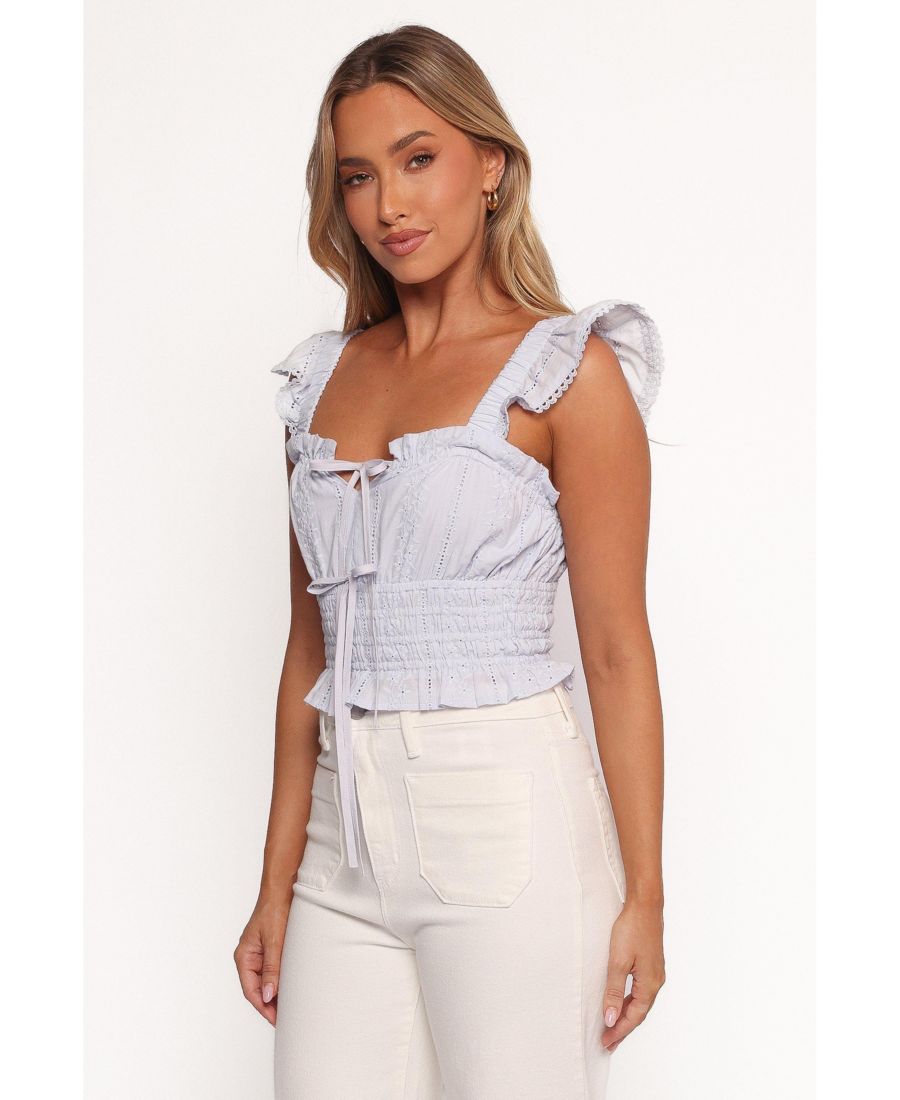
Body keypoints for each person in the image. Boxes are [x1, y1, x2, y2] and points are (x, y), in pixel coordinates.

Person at [235, 23, 667, 1099]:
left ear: (491, 166)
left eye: (418, 158)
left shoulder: (567, 372)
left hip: (507, 817)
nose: (390, 204)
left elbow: (617, 650)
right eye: (359, 176)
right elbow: (307, 655)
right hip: (342, 837)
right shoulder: (319, 385)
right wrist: (277, 881)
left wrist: (646, 893)